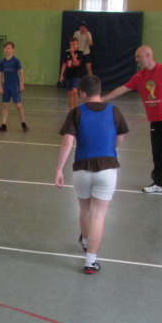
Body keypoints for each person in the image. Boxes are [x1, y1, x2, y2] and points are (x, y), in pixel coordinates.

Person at [54, 75, 129, 274]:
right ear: (99, 91)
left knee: (84, 210)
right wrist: (112, 147)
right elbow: (121, 136)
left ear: (82, 93)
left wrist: (59, 169)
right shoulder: (114, 111)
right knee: (98, 215)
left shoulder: (76, 112)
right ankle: (90, 261)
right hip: (107, 168)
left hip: (82, 168)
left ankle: (86, 242)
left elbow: (68, 142)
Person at [104, 45, 162, 195]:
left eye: (138, 57)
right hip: (156, 121)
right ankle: (158, 183)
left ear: (148, 55)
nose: (136, 60)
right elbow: (123, 89)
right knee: (157, 153)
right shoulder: (139, 76)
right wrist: (102, 99)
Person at [0, 41, 28, 133]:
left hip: (15, 86)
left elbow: (21, 72)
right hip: (6, 86)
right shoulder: (2, 62)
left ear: (13, 50)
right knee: (5, 105)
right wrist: (0, 86)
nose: (7, 50)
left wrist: (21, 84)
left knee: (18, 105)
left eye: (9, 48)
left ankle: (23, 123)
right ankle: (3, 125)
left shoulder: (16, 61)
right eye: (5, 48)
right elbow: (0, 75)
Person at [59, 37, 88, 110]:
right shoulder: (67, 53)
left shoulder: (80, 53)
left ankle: (76, 108)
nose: (72, 46)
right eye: (71, 45)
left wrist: (72, 54)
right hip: (69, 75)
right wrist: (61, 75)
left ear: (78, 45)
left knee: (74, 91)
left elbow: (77, 63)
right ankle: (71, 109)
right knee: (69, 93)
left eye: (74, 44)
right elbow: (64, 64)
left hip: (77, 75)